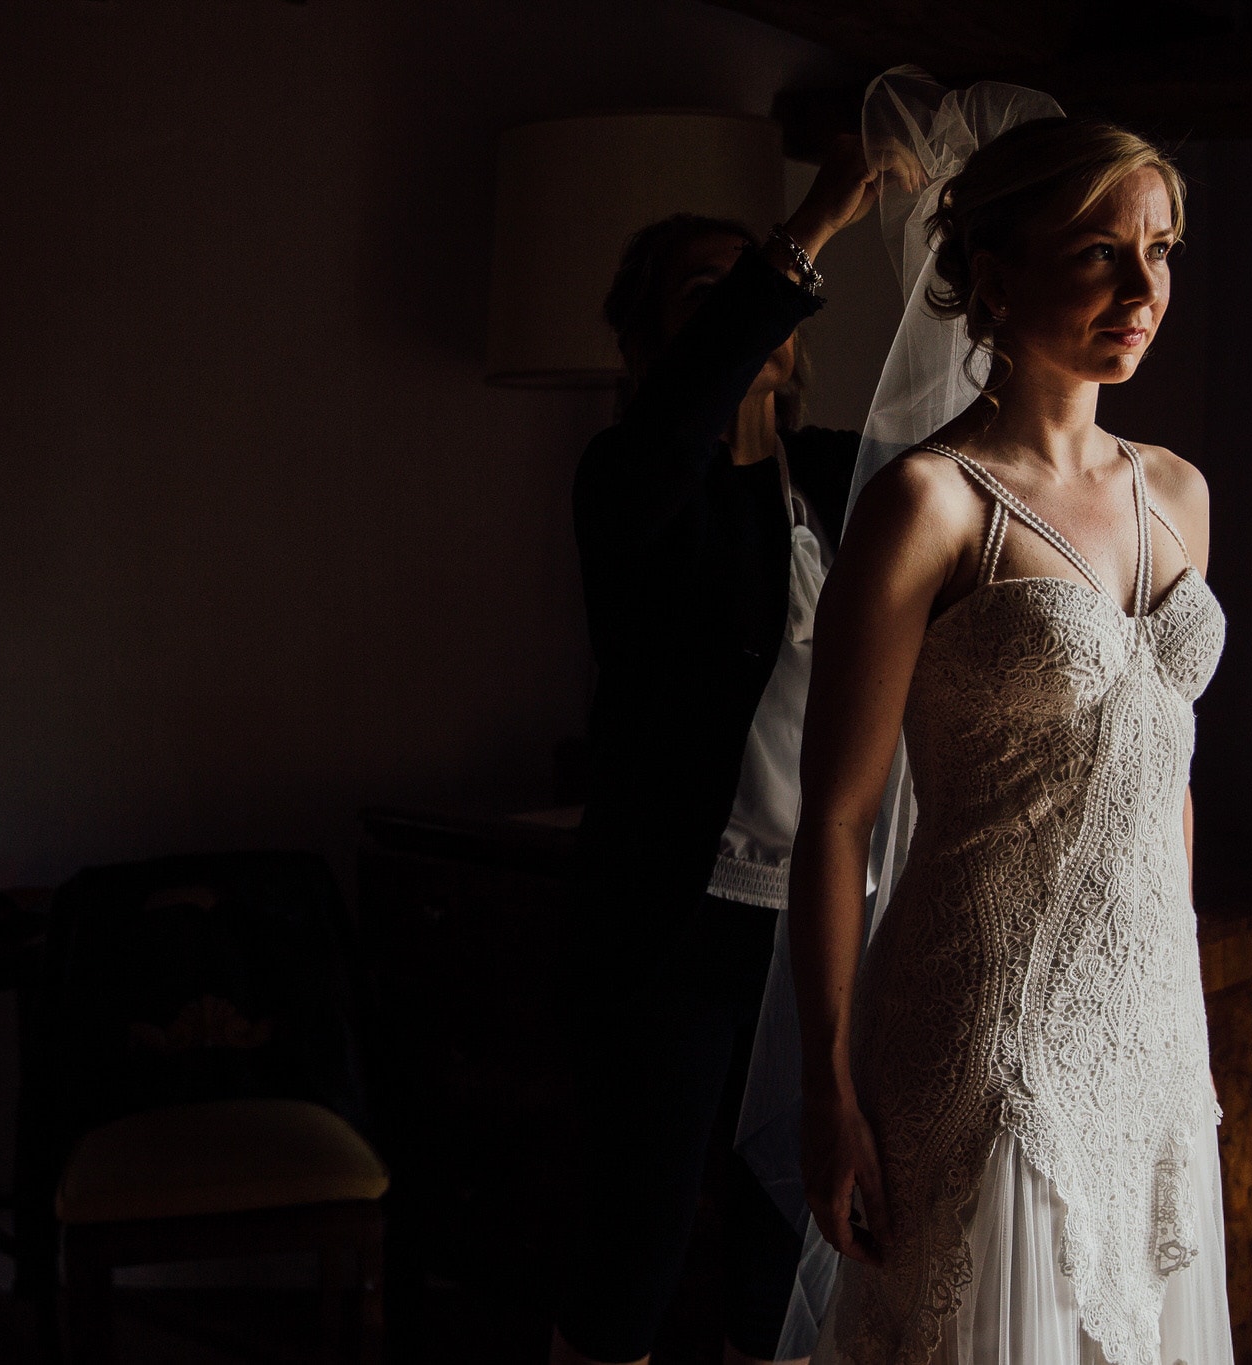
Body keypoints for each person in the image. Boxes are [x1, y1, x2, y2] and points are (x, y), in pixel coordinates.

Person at [789, 114, 1235, 1365]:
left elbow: (1165, 770)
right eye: (1100, 253)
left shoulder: (1179, 493)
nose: (1144, 291)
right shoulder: (927, 504)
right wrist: (822, 1090)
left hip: (1147, 1023)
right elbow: (830, 819)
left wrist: (1173, 992)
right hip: (980, 1027)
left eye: (1162, 250)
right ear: (993, 277)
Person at [549, 138, 877, 1365]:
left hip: (819, 928)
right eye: (707, 290)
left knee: (786, 1241)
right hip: (674, 925)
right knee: (631, 1243)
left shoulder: (844, 479)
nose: (757, 299)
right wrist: (818, 216)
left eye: (763, 286)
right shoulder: (625, 481)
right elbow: (680, 424)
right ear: (645, 343)